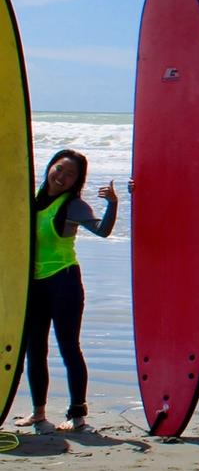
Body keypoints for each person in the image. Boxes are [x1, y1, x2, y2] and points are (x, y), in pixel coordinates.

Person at [18, 149, 116, 433]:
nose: (62, 176)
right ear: (50, 167)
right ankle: (38, 413)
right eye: (59, 169)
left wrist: (112, 204)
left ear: (77, 181)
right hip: (33, 285)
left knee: (68, 347)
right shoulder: (30, 200)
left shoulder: (73, 206)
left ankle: (78, 415)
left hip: (64, 282)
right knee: (35, 349)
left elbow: (102, 231)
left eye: (70, 174)